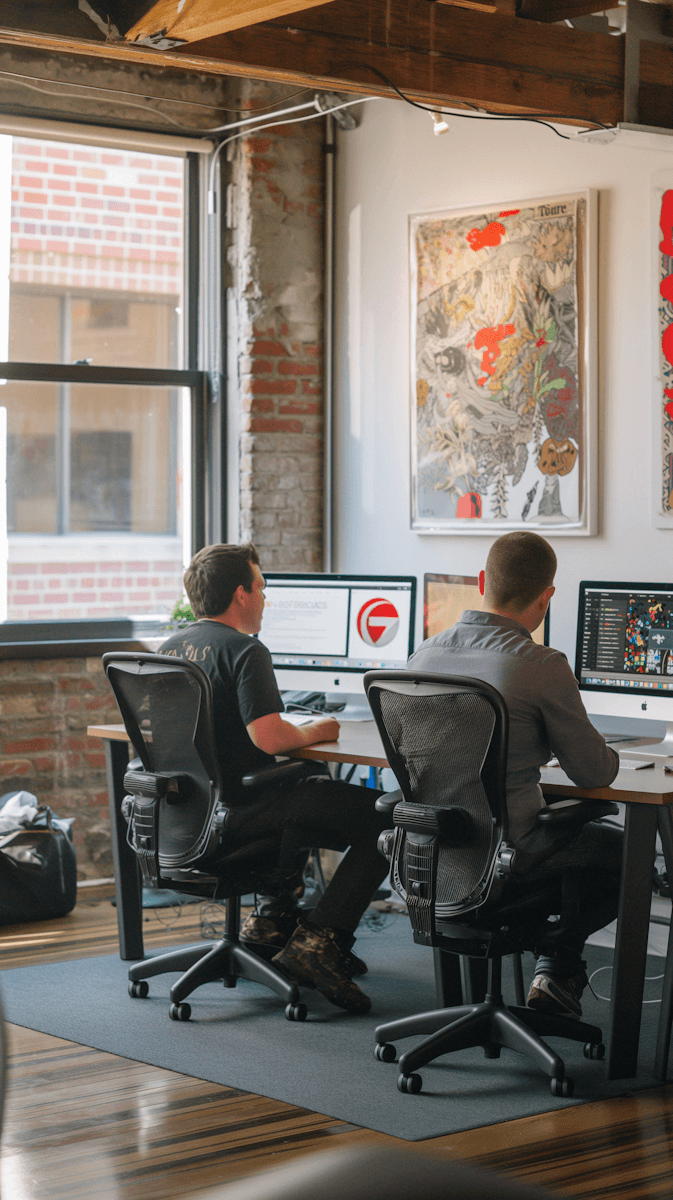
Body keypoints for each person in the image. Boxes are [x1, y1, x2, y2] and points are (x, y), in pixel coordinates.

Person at [160, 542, 390, 1014]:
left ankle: (272, 923)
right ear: (240, 594)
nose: (265, 598)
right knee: (388, 822)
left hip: (191, 817)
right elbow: (269, 737)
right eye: (262, 588)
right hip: (242, 811)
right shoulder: (245, 651)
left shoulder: (170, 649)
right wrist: (318, 730)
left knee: (307, 783)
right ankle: (319, 943)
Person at [407, 530, 622, 1021]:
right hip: (508, 857)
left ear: (483, 582)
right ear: (546, 598)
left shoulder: (424, 655)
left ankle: (547, 972)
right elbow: (593, 772)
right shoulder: (540, 665)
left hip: (431, 855)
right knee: (628, 854)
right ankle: (556, 962)